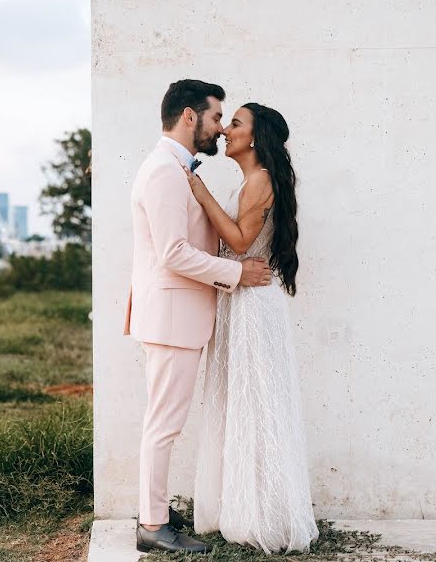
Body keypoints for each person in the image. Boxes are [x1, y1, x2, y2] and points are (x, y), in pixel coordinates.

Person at [124, 80, 273, 554]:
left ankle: (156, 514)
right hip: (172, 315)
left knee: (163, 420)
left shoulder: (174, 168)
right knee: (163, 423)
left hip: (177, 315)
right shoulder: (164, 172)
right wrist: (236, 273)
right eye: (215, 118)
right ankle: (152, 524)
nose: (219, 128)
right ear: (189, 117)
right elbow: (173, 253)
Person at [185, 103, 319, 554]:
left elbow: (241, 242)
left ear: (256, 138)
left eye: (235, 124)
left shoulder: (260, 181)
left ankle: (265, 513)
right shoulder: (251, 181)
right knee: (241, 400)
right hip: (239, 298)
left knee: (257, 402)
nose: (224, 130)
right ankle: (242, 506)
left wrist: (201, 194)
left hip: (253, 306)